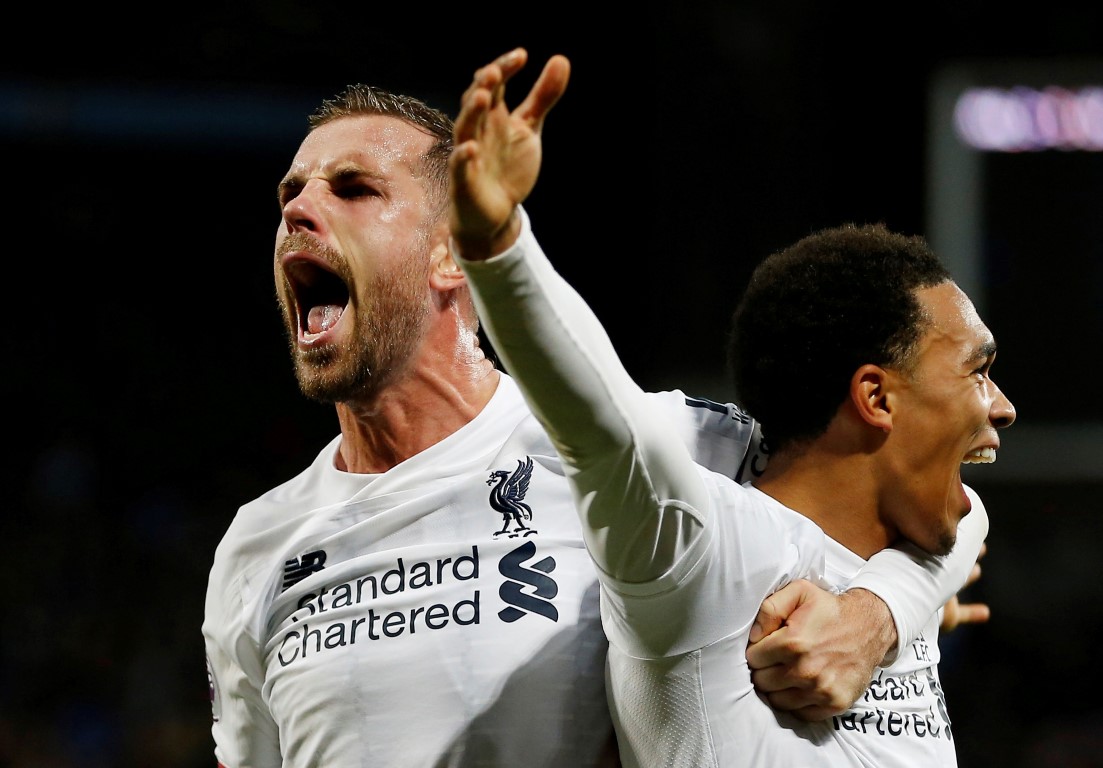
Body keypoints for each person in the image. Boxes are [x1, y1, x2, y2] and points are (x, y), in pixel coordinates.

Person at [201, 50, 991, 767]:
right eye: (290, 193)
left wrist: (879, 610)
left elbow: (930, 495)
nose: (297, 212)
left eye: (353, 189)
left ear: (450, 250)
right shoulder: (257, 548)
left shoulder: (667, 445)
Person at [448, 47, 1014, 767]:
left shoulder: (903, 560)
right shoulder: (706, 550)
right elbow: (602, 427)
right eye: (978, 371)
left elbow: (967, 521)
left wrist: (885, 612)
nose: (1002, 407)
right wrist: (499, 247)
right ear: (874, 396)